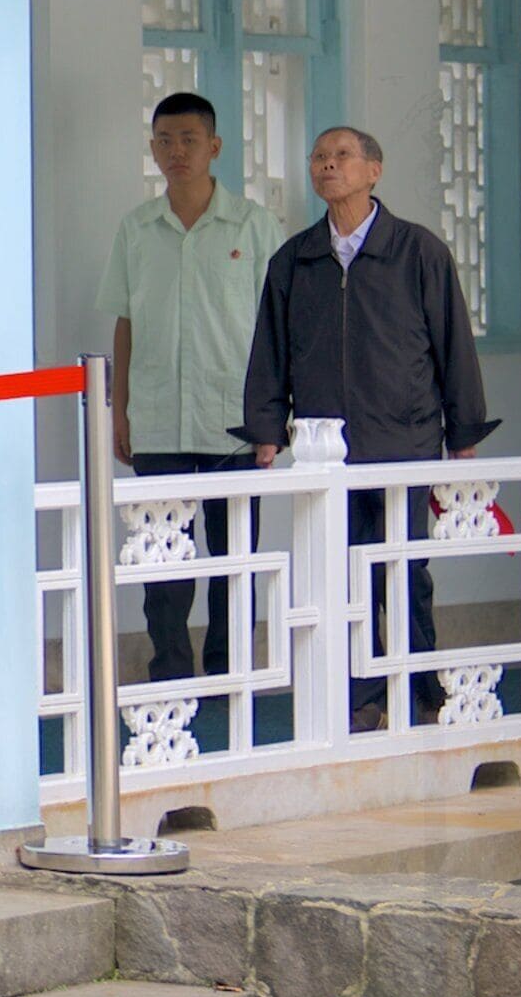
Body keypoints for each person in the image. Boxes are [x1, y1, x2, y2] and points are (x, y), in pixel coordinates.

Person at [242, 125, 496, 731]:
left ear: (374, 171)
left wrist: (463, 436)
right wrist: (266, 431)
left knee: (403, 573)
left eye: (342, 156)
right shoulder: (295, 260)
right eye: (319, 157)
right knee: (339, 575)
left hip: (402, 442)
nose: (329, 166)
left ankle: (419, 691)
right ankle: (356, 698)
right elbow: (270, 354)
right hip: (326, 452)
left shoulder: (418, 251)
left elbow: (453, 345)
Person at [95, 92, 276, 683]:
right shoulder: (136, 229)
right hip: (158, 416)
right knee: (163, 559)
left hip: (235, 418)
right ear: (153, 150)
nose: (177, 152)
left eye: (189, 140)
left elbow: (280, 327)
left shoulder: (253, 226)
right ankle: (170, 672)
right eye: (165, 141)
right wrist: (119, 410)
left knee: (234, 557)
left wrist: (275, 418)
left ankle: (230, 674)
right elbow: (125, 322)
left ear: (214, 147)